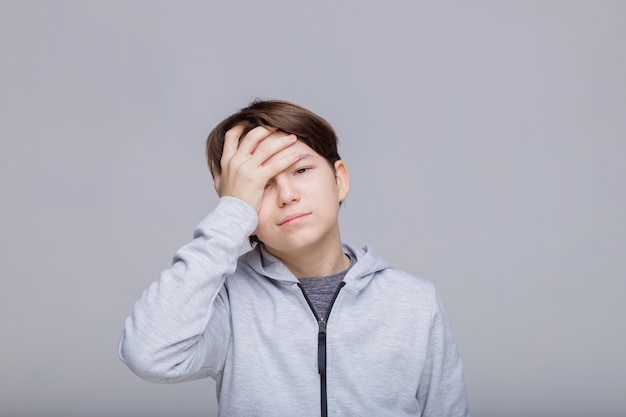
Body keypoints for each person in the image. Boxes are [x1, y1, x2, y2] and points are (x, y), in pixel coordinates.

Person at [119, 99, 471, 417]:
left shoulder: (414, 303)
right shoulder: (226, 303)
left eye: (300, 170)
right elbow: (148, 353)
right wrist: (232, 213)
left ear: (340, 180)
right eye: (261, 185)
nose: (287, 195)